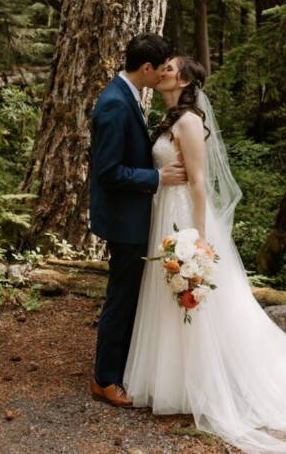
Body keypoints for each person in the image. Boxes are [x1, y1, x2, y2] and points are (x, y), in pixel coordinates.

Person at [122, 55, 286, 453]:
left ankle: (204, 385)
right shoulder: (170, 121)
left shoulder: (189, 122)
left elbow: (199, 183)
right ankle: (171, 382)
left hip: (185, 216)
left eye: (169, 69)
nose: (162, 72)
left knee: (197, 300)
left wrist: (198, 240)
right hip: (165, 211)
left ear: (184, 80)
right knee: (168, 298)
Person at [88, 33, 188, 407]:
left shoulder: (127, 95)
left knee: (129, 295)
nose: (163, 74)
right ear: (146, 67)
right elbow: (109, 171)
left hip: (133, 216)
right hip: (124, 220)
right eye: (161, 68)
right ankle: (105, 379)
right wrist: (157, 178)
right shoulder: (115, 104)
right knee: (122, 297)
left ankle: (120, 368)